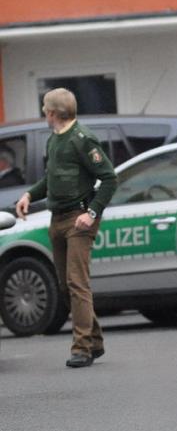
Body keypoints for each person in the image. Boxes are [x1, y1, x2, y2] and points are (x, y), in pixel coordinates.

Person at [15, 88, 117, 368]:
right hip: (56, 219)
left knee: (77, 283)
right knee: (66, 285)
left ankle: (82, 348)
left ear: (52, 113)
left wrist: (92, 213)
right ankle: (94, 340)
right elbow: (51, 178)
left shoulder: (82, 140)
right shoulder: (54, 140)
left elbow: (109, 179)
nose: (43, 113)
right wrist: (28, 196)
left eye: (44, 109)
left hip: (79, 219)